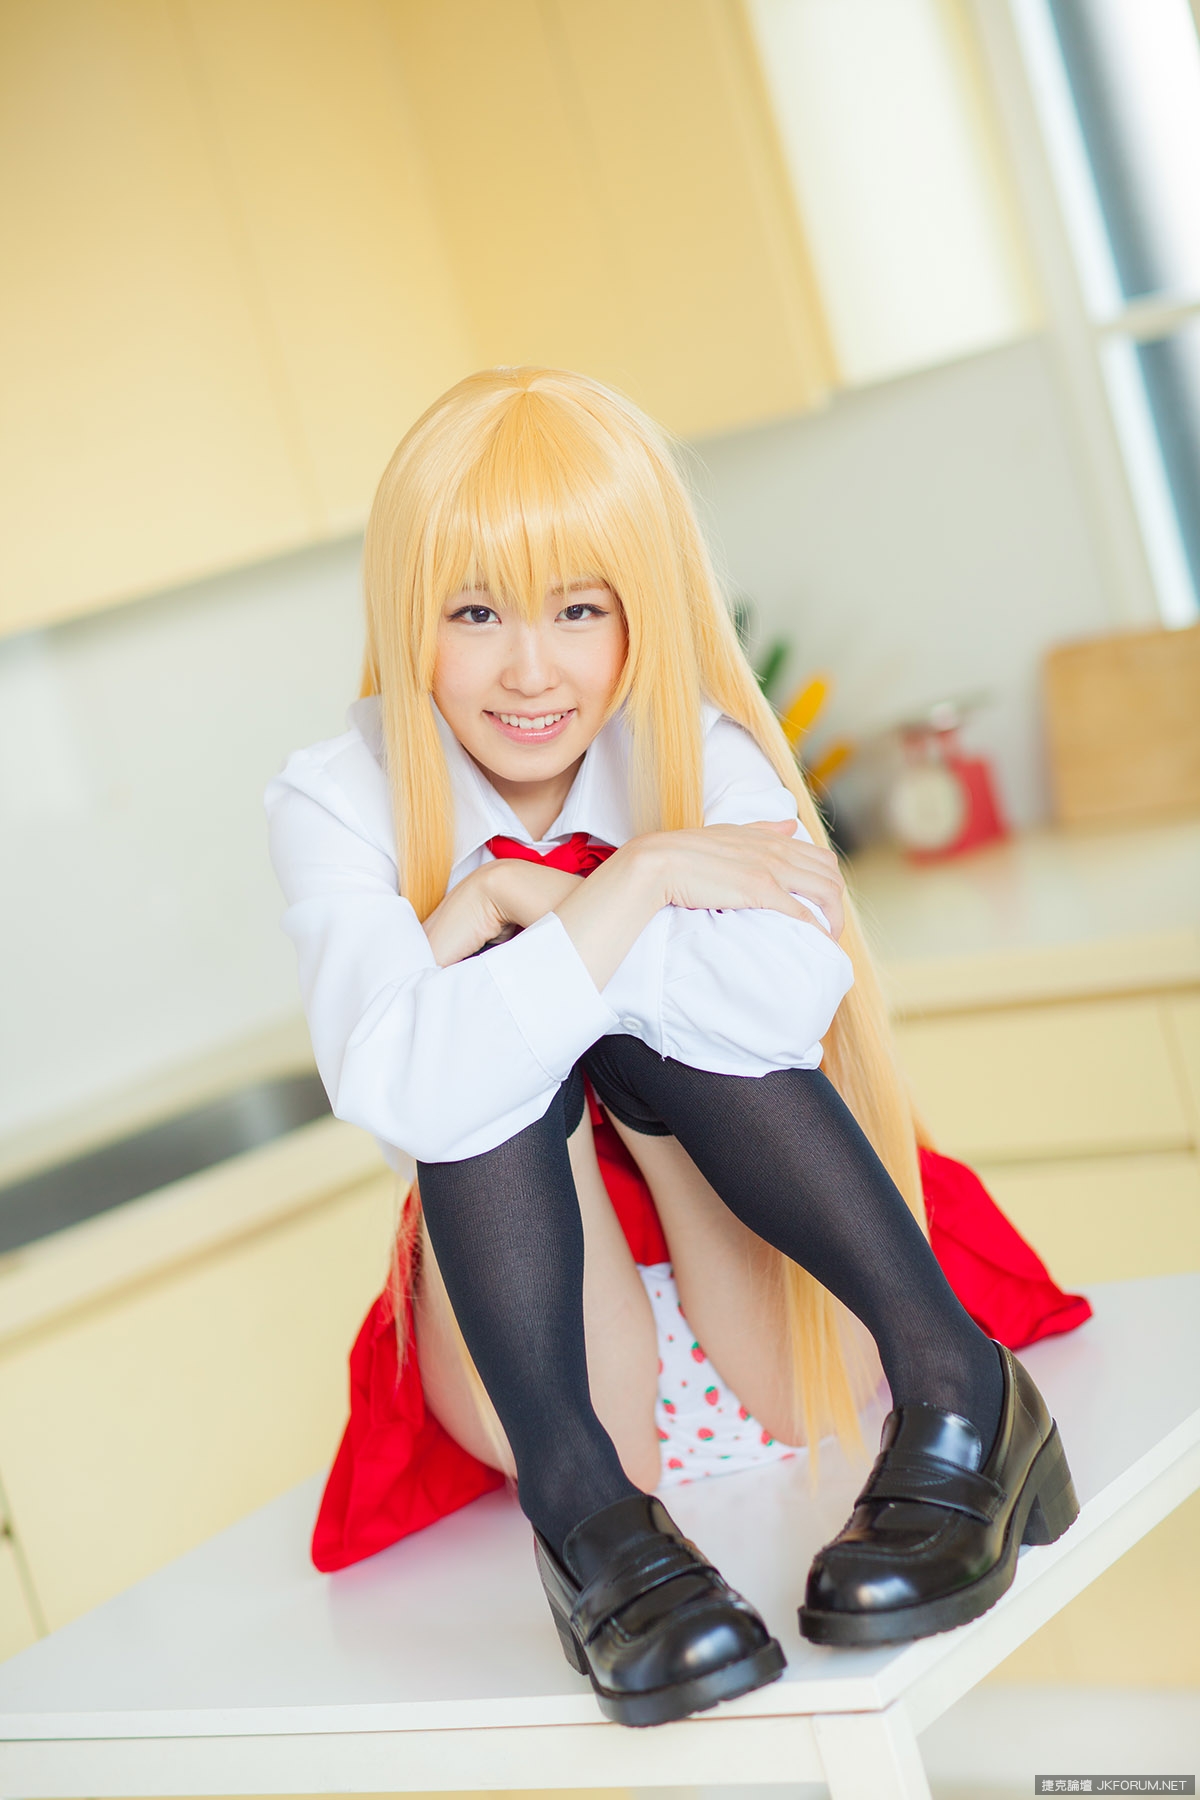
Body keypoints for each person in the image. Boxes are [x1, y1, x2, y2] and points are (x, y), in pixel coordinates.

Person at [265, 366, 1082, 1729]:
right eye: (476, 612)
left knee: (623, 1026)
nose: (532, 671)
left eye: (579, 610)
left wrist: (533, 911)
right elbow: (402, 1083)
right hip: (550, 1378)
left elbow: (778, 1015)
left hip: (781, 1308)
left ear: (642, 610)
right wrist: (637, 888)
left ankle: (959, 1385)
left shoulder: (702, 754)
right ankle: (586, 1522)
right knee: (482, 1076)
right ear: (409, 619)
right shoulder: (337, 798)